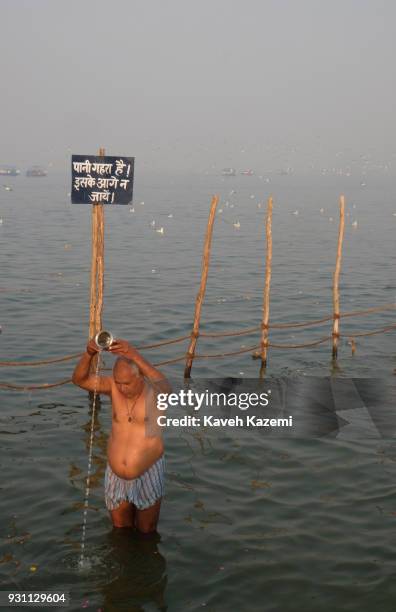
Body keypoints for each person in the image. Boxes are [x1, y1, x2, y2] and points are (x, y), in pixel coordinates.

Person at [72, 337, 169, 534]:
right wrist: (89, 353)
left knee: (147, 532)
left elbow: (167, 388)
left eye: (127, 383)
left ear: (139, 377)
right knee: (120, 533)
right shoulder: (113, 388)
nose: (122, 388)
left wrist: (134, 355)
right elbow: (79, 380)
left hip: (147, 473)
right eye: (118, 382)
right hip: (116, 476)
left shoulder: (154, 394)